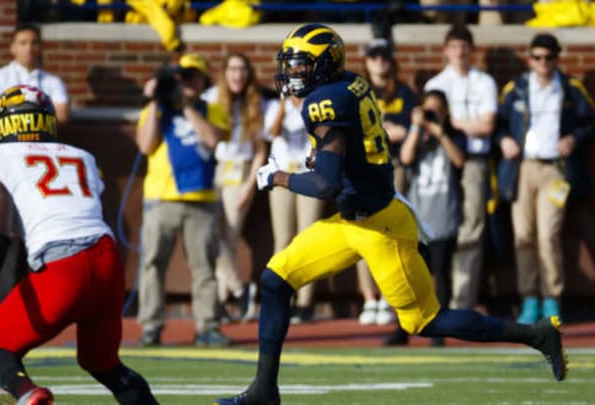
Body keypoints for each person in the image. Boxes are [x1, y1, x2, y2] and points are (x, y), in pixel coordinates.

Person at [213, 23, 567, 405]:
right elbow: (347, 152)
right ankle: (265, 391)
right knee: (275, 279)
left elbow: (325, 186)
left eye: (300, 65)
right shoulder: (350, 82)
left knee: (424, 321)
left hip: (380, 227)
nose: (292, 73)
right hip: (352, 220)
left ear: (323, 65)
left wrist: (277, 176)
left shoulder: (324, 102)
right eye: (292, 65)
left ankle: (536, 334)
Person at [0, 85, 158, 405]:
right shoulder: (82, 157)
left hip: (62, 267)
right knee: (105, 364)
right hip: (107, 260)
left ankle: (29, 395)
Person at [497, 33, 595, 323]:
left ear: (556, 59)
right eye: (537, 57)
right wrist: (504, 140)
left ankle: (552, 297)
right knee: (523, 235)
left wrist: (573, 139)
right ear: (529, 59)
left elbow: (590, 122)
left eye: (549, 58)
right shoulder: (515, 88)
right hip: (522, 167)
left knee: (548, 234)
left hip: (555, 168)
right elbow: (499, 124)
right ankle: (529, 298)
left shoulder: (570, 88)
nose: (543, 63)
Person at [136, 53, 231, 347]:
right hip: (161, 198)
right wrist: (155, 102)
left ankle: (207, 327)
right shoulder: (158, 110)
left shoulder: (212, 109)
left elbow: (213, 139)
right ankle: (151, 326)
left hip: (200, 199)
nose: (185, 82)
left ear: (203, 81)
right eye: (180, 77)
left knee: (204, 267)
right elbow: (145, 144)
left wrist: (188, 107)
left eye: (191, 76)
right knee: (152, 264)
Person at [424, 24, 498, 312]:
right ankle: (437, 300)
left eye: (464, 47)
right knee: (438, 230)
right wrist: (467, 126)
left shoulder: (484, 82)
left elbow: (487, 126)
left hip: (474, 161)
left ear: (471, 50)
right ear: (446, 51)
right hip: (440, 162)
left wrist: (451, 124)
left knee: (471, 228)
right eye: (454, 47)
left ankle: (461, 302)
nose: (459, 53)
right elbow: (431, 128)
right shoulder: (436, 84)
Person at [385, 89, 467, 347]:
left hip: (443, 218)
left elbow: (459, 161)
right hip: (418, 220)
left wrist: (440, 131)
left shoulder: (452, 136)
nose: (432, 114)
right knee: (409, 274)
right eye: (428, 109)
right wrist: (417, 127)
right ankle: (403, 328)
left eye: (437, 110)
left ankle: (438, 330)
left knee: (440, 275)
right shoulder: (417, 136)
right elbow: (406, 157)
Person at [202, 52, 267, 323]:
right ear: (224, 72)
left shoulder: (255, 103)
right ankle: (238, 291)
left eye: (242, 70)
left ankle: (224, 300)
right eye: (232, 69)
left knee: (227, 235)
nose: (237, 75)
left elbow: (260, 151)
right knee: (213, 235)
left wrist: (250, 186)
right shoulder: (211, 98)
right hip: (214, 170)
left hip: (240, 173)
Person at [357, 37, 417, 326]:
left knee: (390, 231)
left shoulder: (403, 92)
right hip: (362, 168)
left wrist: (377, 132)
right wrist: (385, 130)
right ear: (367, 62)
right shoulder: (357, 91)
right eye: (374, 57)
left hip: (392, 167)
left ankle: (387, 296)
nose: (380, 62)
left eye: (384, 57)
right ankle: (369, 298)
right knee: (362, 232)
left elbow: (404, 132)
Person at [265, 95, 325, 324]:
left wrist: (302, 105)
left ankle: (305, 301)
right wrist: (283, 104)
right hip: (282, 176)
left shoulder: (315, 104)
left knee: (307, 236)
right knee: (282, 239)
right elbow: (272, 131)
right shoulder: (275, 105)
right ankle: (281, 296)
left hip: (308, 176)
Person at [0, 23, 69, 124]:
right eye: (23, 43)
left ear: (40, 47)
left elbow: (62, 116)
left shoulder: (54, 81)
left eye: (34, 43)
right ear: (13, 48)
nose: (29, 48)